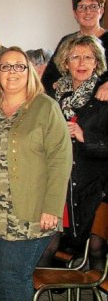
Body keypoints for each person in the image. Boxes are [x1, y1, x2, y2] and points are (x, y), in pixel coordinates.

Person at [0, 47, 72, 301]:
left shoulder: (45, 107)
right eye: (5, 67)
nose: (12, 72)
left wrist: (52, 208)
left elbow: (60, 160)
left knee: (15, 282)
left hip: (29, 214)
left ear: (29, 72)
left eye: (19, 66)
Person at [50, 35, 107, 266]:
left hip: (96, 188)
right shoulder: (54, 97)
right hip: (61, 186)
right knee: (50, 243)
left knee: (96, 247)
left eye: (88, 57)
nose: (82, 63)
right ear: (65, 63)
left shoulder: (104, 97)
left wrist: (86, 137)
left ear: (97, 63)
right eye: (75, 57)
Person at [41, 0, 108, 99]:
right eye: (82, 7)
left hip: (100, 106)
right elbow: (49, 77)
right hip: (68, 103)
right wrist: (56, 86)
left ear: (101, 11)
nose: (88, 12)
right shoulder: (67, 41)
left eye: (93, 6)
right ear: (75, 14)